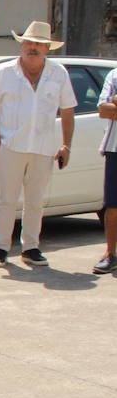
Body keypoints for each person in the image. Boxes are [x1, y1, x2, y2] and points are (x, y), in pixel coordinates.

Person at [0, 21, 77, 268]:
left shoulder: (59, 73)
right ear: (21, 45)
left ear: (47, 48)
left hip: (44, 147)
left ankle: (31, 247)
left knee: (36, 200)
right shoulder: (4, 73)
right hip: (11, 146)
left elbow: (68, 110)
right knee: (7, 200)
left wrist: (66, 145)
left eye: (38, 44)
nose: (32, 47)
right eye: (28, 42)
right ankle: (1, 248)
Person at [94, 67, 117, 273]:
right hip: (115, 149)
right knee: (113, 205)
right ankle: (111, 254)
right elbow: (103, 109)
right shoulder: (114, 74)